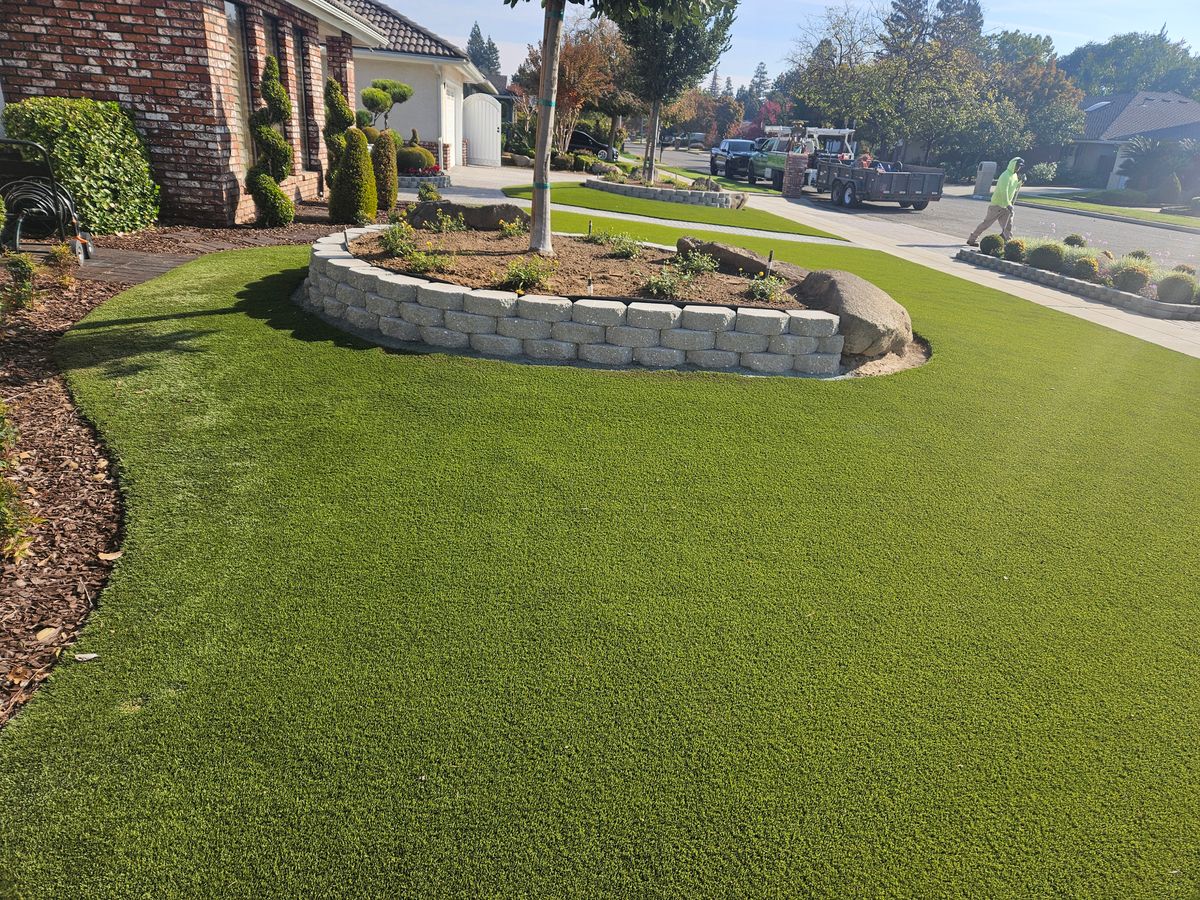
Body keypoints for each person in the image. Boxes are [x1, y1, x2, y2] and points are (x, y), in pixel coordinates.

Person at [967, 157, 1025, 245]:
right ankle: (972, 239)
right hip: (997, 205)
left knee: (1008, 227)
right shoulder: (1005, 175)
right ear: (1012, 164)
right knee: (986, 224)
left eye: (1020, 166)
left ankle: (1008, 244)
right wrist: (1008, 204)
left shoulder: (1014, 176)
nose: (1018, 168)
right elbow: (1003, 191)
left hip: (1006, 207)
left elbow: (1013, 188)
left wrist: (1020, 182)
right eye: (1017, 165)